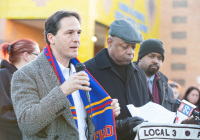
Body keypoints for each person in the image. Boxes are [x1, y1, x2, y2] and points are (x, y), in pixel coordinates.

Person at [11, 10, 119, 140]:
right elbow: (27, 124)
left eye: (78, 33)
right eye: (69, 33)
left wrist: (106, 110)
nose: (76, 39)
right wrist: (62, 91)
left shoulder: (82, 72)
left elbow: (85, 123)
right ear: (51, 38)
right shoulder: (26, 74)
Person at [85, 19, 148, 140]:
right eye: (124, 47)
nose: (131, 52)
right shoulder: (88, 71)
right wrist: (120, 126)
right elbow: (84, 120)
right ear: (109, 42)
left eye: (134, 47)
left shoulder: (139, 73)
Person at [0, 39, 40, 140]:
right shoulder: (3, 75)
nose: (40, 60)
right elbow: (3, 113)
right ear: (26, 55)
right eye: (37, 55)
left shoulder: (26, 79)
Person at [136, 39, 175, 111]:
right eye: (151, 56)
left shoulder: (166, 86)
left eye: (159, 58)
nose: (156, 61)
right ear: (140, 58)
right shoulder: (127, 77)